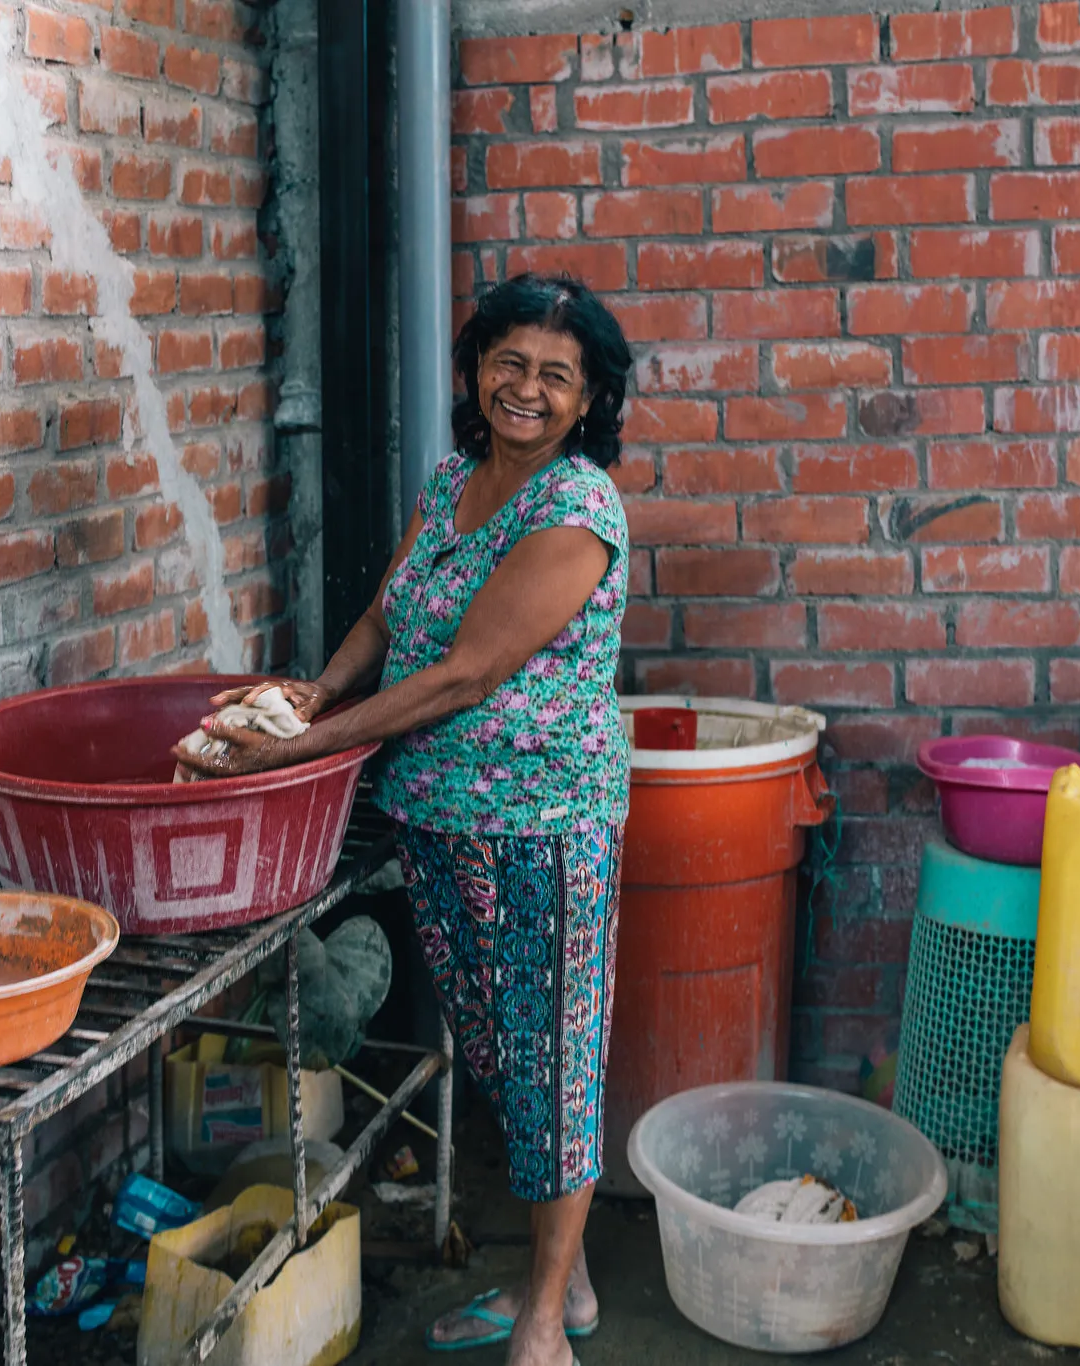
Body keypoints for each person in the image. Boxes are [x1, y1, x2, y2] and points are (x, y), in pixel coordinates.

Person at [176, 273, 632, 1366]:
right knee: (498, 1058)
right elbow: (387, 615)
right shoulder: (450, 484)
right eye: (508, 363)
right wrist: (318, 693)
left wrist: (302, 748)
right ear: (476, 369)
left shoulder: (575, 512)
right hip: (438, 823)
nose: (525, 389)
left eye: (553, 376)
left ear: (585, 401)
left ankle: (543, 1329)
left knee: (553, 1068)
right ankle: (561, 1285)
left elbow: (462, 675)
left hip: (540, 830)